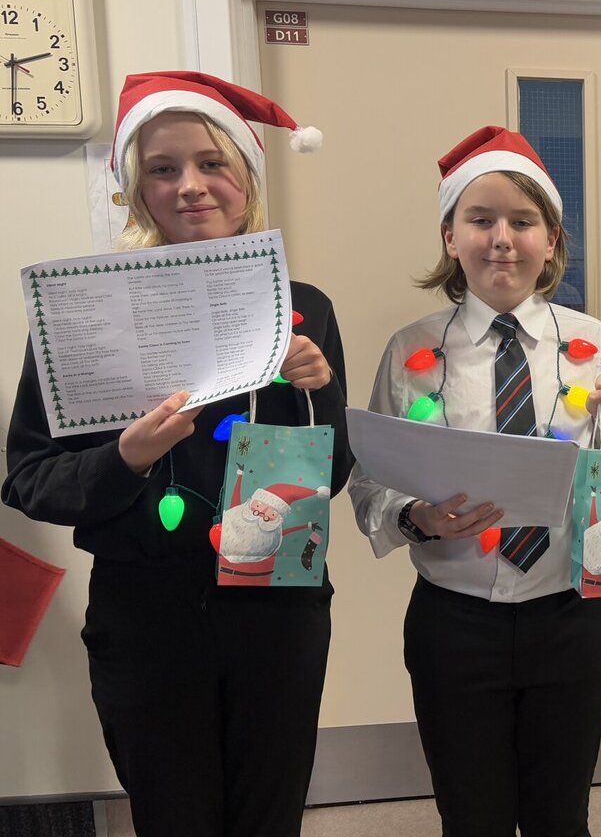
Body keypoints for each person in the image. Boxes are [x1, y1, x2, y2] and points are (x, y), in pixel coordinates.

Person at [2, 71, 351, 836]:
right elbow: (29, 479)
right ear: (137, 188)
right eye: (164, 169)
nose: (191, 186)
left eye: (211, 164)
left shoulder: (305, 307)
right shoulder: (82, 311)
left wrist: (318, 392)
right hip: (146, 618)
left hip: (278, 609)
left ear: (246, 178)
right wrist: (122, 459)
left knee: (269, 819)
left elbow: (334, 474)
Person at [348, 126, 601, 837]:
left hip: (570, 616)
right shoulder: (412, 349)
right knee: (471, 816)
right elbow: (368, 480)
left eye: (523, 221)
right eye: (481, 220)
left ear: (551, 240)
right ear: (451, 237)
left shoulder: (592, 341)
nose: (502, 239)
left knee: (560, 815)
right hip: (456, 621)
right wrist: (416, 517)